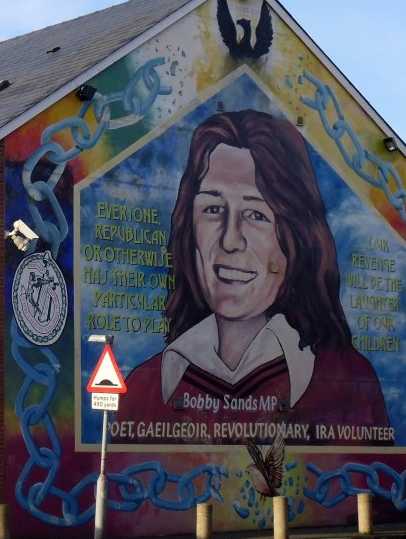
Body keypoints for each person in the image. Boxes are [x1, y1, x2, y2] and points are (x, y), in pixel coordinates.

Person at [118, 109, 390, 446]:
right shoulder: (146, 388)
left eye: (256, 214)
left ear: (296, 236)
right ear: (189, 228)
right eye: (213, 209)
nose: (231, 240)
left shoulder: (347, 381)